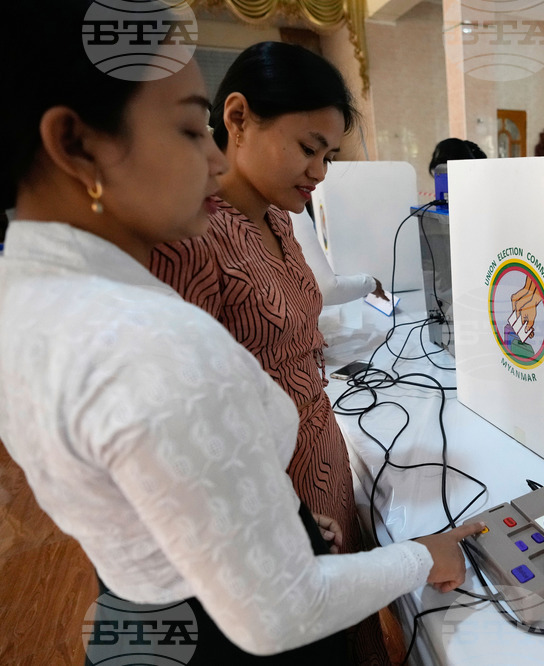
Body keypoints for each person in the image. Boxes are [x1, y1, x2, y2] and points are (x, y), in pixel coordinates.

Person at [0, 2, 481, 662]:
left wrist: (291, 519)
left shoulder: (38, 293)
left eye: (329, 154)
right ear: (77, 145)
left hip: (262, 522)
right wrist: (418, 556)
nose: (213, 160)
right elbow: (281, 606)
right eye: (187, 129)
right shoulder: (160, 314)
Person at [147, 41, 393, 664]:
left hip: (321, 451)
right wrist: (275, 516)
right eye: (309, 148)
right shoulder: (190, 234)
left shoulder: (281, 219)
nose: (320, 172)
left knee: (348, 623)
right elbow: (183, 420)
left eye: (329, 156)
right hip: (266, 486)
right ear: (237, 118)